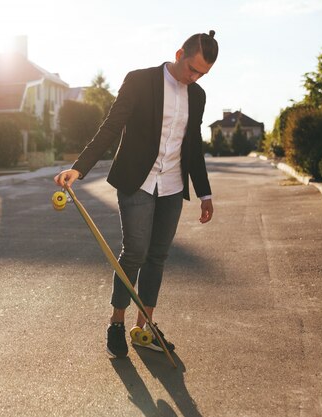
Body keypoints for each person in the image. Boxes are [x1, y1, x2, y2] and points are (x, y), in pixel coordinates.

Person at [54, 31, 218, 358]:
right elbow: (111, 126)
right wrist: (80, 168)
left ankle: (145, 329)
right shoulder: (140, 81)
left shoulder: (197, 96)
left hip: (172, 185)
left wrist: (204, 193)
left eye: (202, 74)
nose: (194, 77)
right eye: (192, 69)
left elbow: (194, 145)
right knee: (135, 253)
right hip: (136, 182)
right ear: (179, 53)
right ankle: (116, 322)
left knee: (157, 256)